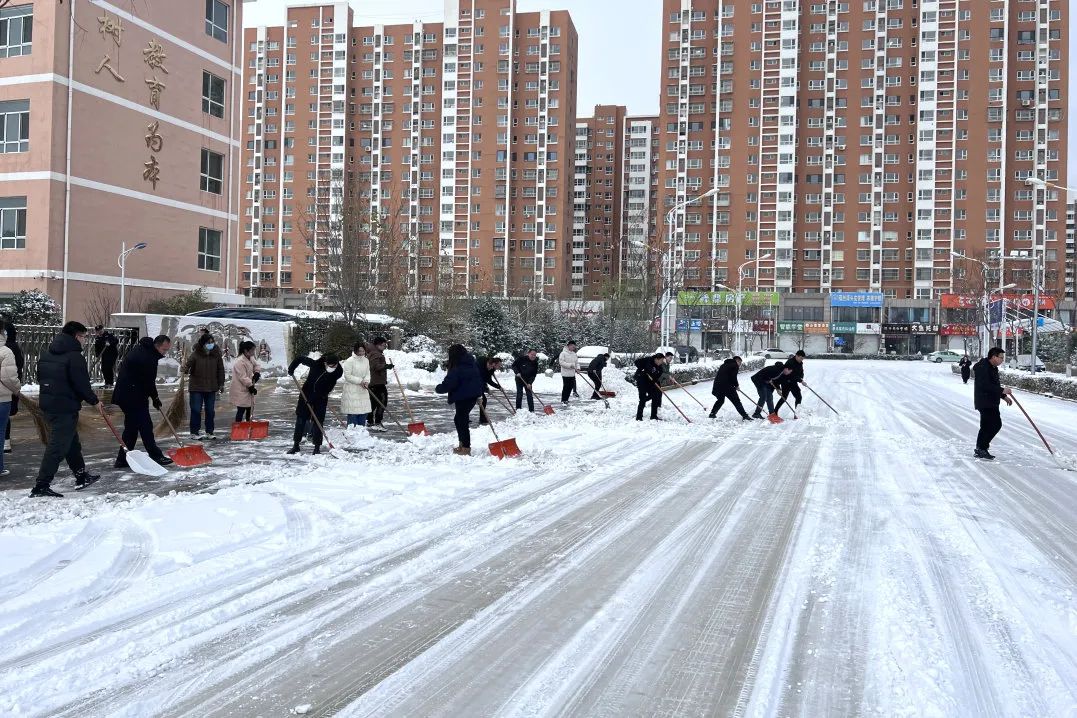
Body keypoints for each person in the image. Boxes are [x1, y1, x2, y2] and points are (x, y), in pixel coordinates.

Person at [31, 322, 102, 497]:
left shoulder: (48, 352)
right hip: (65, 407)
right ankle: (41, 485)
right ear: (76, 336)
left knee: (71, 443)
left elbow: (39, 376)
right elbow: (81, 383)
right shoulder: (74, 356)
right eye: (84, 337)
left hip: (50, 405)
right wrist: (94, 401)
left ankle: (81, 476)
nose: (85, 341)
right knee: (58, 446)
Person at [112, 335, 174, 469]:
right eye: (164, 350)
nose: (165, 353)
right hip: (132, 396)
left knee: (131, 429)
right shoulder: (147, 358)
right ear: (157, 346)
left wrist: (153, 398)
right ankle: (156, 456)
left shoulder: (144, 350)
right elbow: (149, 382)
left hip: (129, 395)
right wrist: (155, 398)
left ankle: (122, 460)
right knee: (145, 426)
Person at [287, 353, 342, 454]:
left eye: (334, 365)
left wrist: (315, 398)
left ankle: (317, 448)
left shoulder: (338, 372)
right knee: (301, 419)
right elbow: (300, 358)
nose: (332, 368)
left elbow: (328, 388)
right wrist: (291, 368)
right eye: (330, 366)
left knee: (318, 421)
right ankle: (296, 445)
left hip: (321, 397)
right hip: (306, 394)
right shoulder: (316, 364)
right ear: (325, 363)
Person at [435, 344, 484, 456]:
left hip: (463, 397)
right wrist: (479, 394)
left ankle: (466, 448)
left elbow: (450, 383)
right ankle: (463, 444)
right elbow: (478, 379)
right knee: (459, 419)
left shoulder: (458, 367)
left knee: (461, 421)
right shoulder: (472, 363)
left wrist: (439, 388)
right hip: (471, 396)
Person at [972, 347, 1012, 460]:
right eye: (1001, 357)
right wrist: (1002, 390)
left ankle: (981, 448)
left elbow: (993, 385)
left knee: (987, 426)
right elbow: (984, 385)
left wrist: (1003, 396)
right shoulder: (983, 367)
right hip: (985, 401)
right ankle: (981, 448)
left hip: (991, 401)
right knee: (994, 425)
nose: (1002, 360)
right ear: (993, 357)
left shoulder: (993, 368)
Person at [185, 332, 225, 440]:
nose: (211, 344)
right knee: (196, 410)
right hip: (196, 387)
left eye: (212, 342)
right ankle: (194, 432)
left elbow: (220, 369)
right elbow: (187, 366)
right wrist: (184, 368)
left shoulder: (216, 354)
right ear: (203, 343)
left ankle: (210, 432)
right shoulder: (195, 354)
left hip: (211, 387)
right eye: (208, 342)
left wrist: (221, 384)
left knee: (210, 411)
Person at [0, 324, 21, 478]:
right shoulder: (6, 351)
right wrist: (17, 389)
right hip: (2, 399)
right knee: (0, 432)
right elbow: (9, 377)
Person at [708, 356, 753, 420]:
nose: (740, 365)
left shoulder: (724, 365)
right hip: (727, 386)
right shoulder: (735, 365)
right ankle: (745, 416)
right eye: (740, 363)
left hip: (717, 386)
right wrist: (737, 385)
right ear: (737, 361)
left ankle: (712, 414)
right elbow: (733, 377)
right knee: (736, 401)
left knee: (720, 400)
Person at [228, 340, 261, 423]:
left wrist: (257, 372)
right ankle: (238, 427)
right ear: (246, 351)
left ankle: (248, 424)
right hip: (240, 389)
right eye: (252, 350)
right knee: (241, 408)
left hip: (247, 386)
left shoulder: (250, 357)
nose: (254, 352)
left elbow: (256, 365)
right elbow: (242, 377)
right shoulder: (239, 362)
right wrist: (250, 386)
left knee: (250, 408)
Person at [365, 337, 394, 432]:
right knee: (382, 402)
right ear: (378, 345)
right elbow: (375, 366)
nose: (385, 347)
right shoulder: (375, 354)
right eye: (383, 345)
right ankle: (377, 422)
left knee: (373, 403)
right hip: (377, 383)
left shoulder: (374, 352)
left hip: (375, 382)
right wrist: (386, 366)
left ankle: (369, 421)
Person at [3, 321, 23, 454]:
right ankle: (5, 442)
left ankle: (5, 442)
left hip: (5, 391)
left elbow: (10, 374)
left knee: (4, 417)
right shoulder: (12, 347)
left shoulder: (8, 349)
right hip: (8, 390)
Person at [341, 342, 372, 427]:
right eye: (359, 351)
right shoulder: (350, 361)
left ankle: (361, 431)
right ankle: (352, 431)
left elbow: (367, 373)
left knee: (363, 411)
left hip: (363, 389)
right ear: (355, 351)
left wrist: (366, 381)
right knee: (353, 411)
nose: (361, 353)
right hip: (352, 389)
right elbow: (347, 376)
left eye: (363, 351)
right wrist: (360, 381)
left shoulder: (366, 360)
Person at [634, 353, 666, 421]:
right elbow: (636, 362)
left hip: (650, 382)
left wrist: (656, 382)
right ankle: (639, 417)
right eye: (661, 360)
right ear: (657, 359)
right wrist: (642, 369)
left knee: (655, 396)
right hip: (641, 381)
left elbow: (657, 376)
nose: (662, 362)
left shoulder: (659, 367)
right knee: (642, 398)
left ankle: (653, 416)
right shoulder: (648, 360)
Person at [773, 350, 806, 415]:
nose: (802, 360)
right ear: (796, 356)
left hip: (793, 382)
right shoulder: (790, 362)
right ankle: (775, 412)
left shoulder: (800, 363)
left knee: (798, 397)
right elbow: (791, 375)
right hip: (786, 381)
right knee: (784, 397)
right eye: (801, 358)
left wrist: (801, 377)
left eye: (803, 358)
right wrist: (801, 381)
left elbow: (801, 372)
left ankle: (796, 414)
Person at [478, 355, 504, 425]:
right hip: (470, 382)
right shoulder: (480, 366)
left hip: (478, 383)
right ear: (492, 364)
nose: (499, 367)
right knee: (473, 400)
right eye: (498, 365)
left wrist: (498, 387)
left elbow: (488, 380)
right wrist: (486, 389)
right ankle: (481, 419)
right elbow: (481, 380)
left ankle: (482, 418)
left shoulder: (491, 369)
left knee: (483, 400)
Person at [558, 340, 578, 405]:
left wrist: (578, 368)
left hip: (572, 374)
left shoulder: (574, 354)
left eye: (574, 347)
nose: (573, 348)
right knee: (566, 387)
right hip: (565, 374)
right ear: (568, 346)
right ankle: (563, 399)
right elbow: (561, 362)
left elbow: (577, 363)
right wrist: (570, 365)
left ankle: (567, 399)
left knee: (571, 386)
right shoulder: (563, 353)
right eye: (572, 346)